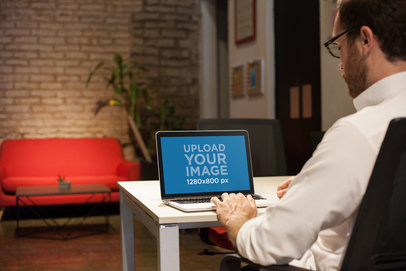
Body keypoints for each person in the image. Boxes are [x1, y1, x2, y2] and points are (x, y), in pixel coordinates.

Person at [211, 0, 406, 269]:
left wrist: (240, 223)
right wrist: (319, 181)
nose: (340, 66)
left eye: (339, 46)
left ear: (364, 40)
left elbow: (269, 245)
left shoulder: (356, 133)